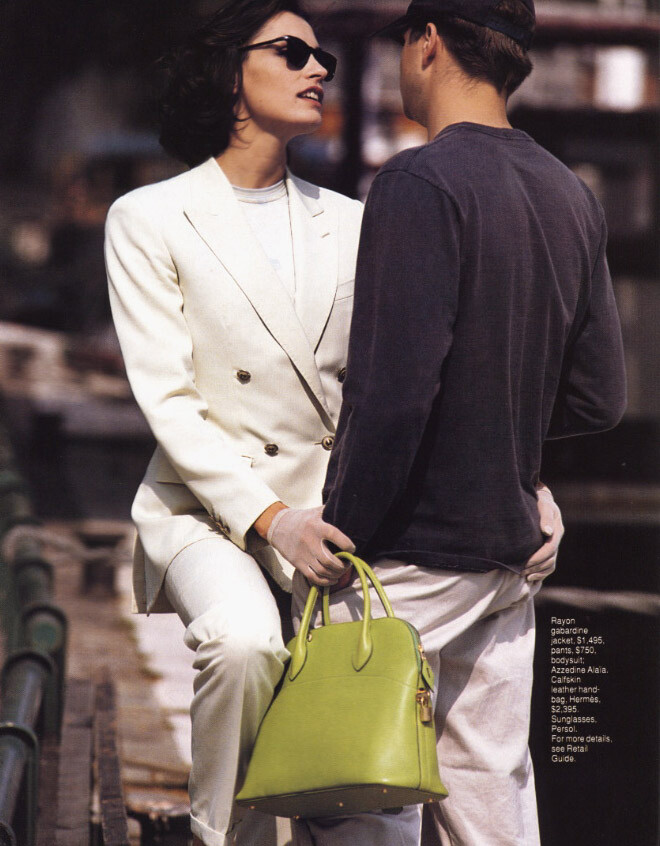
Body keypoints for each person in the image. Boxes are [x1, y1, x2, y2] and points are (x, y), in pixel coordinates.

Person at [105, 1, 563, 843]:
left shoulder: (358, 216)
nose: (318, 68)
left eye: (324, 58)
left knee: (376, 739)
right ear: (230, 71)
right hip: (213, 509)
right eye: (292, 51)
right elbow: (168, 401)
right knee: (244, 645)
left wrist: (529, 482)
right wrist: (272, 518)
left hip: (342, 515)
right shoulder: (147, 218)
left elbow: (429, 378)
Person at [286, 1, 627, 845]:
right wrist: (519, 469)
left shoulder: (417, 183)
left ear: (428, 42)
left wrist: (345, 532)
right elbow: (599, 398)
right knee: (490, 803)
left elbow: (395, 396)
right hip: (507, 557)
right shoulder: (570, 194)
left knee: (358, 797)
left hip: (407, 552)